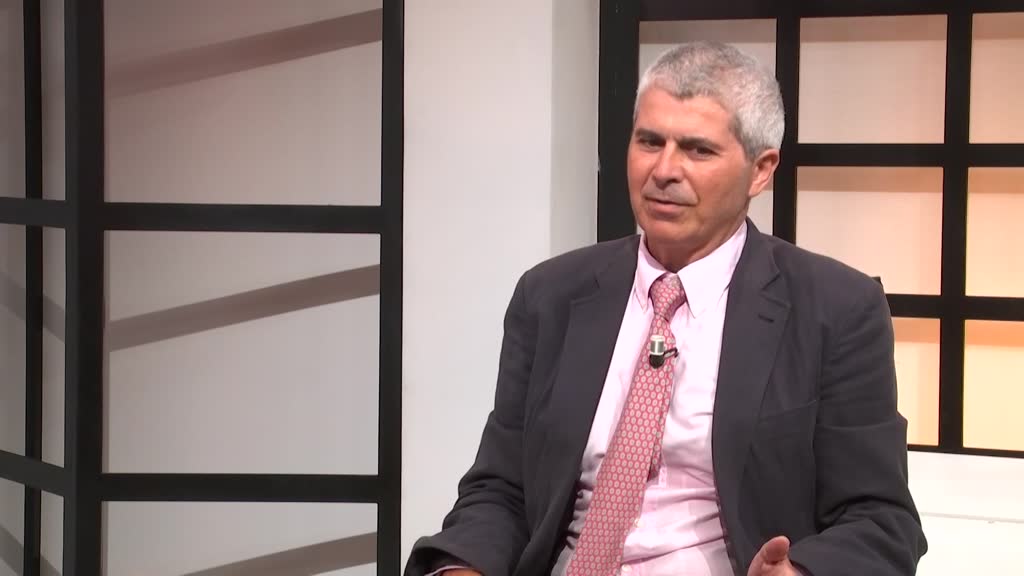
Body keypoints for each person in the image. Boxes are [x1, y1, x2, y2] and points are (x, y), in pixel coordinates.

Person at [404, 41, 927, 576]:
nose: (664, 170)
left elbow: (880, 520)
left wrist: (801, 572)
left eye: (698, 150)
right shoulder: (550, 296)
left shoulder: (835, 310)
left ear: (761, 170)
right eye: (649, 141)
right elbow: (501, 488)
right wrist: (461, 569)